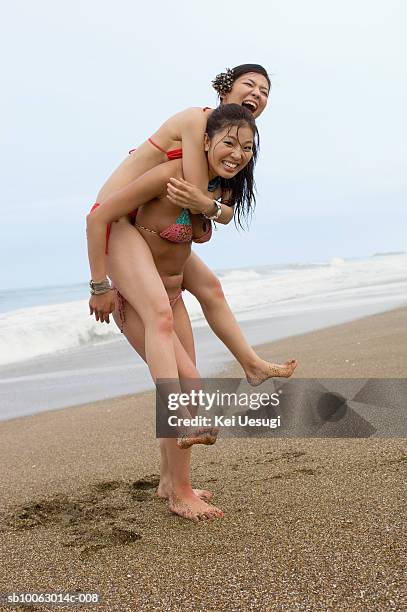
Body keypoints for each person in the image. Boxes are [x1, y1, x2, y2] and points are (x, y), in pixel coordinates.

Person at [87, 104, 263, 521]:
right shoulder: (174, 167)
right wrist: (100, 286)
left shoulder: (212, 183)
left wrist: (211, 210)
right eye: (230, 141)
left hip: (164, 287)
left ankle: (172, 482)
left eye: (248, 146)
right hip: (128, 279)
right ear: (205, 136)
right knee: (188, 382)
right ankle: (181, 491)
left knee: (190, 379)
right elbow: (98, 218)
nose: (239, 152)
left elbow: (205, 235)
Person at [89, 65, 297, 386]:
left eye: (265, 92)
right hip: (115, 214)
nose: (257, 94)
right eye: (250, 85)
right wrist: (99, 285)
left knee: (211, 287)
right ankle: (185, 405)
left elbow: (218, 210)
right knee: (162, 319)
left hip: (146, 218)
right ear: (226, 89)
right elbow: (198, 204)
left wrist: (210, 210)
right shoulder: (198, 122)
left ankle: (251, 364)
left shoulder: (230, 143)